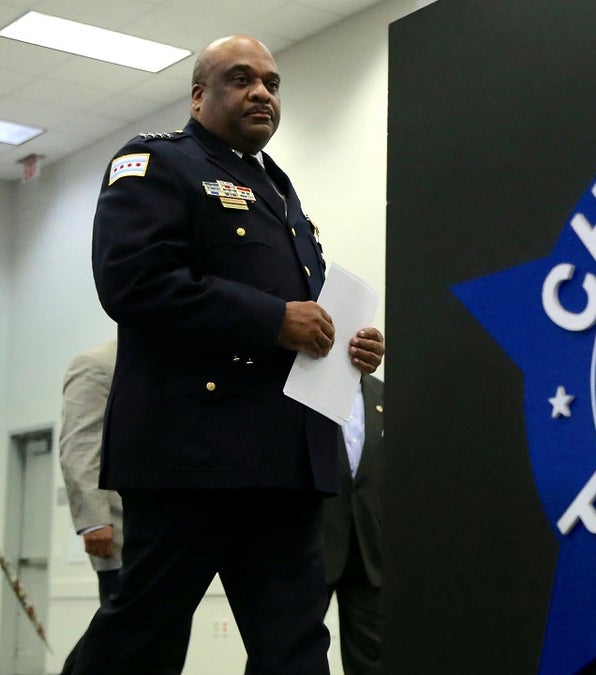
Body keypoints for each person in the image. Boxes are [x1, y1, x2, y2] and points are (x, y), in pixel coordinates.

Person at [67, 34, 385, 675]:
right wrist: (274, 321)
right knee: (142, 638)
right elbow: (132, 282)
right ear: (198, 95)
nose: (261, 92)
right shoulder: (158, 165)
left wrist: (343, 344)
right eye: (241, 79)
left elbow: (301, 316)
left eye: (271, 82)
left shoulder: (281, 194)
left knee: (296, 647)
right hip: (193, 456)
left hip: (285, 460)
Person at [57, 341, 190, 674]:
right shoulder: (96, 364)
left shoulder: (175, 361)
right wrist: (93, 521)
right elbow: (79, 444)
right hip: (122, 539)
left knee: (163, 645)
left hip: (177, 540)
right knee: (121, 644)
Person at [322, 375, 385, 675]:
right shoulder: (306, 388)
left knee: (373, 660)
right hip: (311, 548)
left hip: (370, 552)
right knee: (285, 654)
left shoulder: (384, 394)